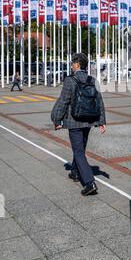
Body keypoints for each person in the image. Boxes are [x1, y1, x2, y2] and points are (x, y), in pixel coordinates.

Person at [51, 53, 106, 197]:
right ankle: (75, 172)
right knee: (79, 148)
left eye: (72, 63)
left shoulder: (70, 80)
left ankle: (89, 183)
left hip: (74, 121)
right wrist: (101, 122)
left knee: (78, 151)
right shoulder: (92, 80)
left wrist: (57, 120)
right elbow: (99, 101)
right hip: (88, 120)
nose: (71, 66)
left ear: (77, 65)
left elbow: (63, 101)